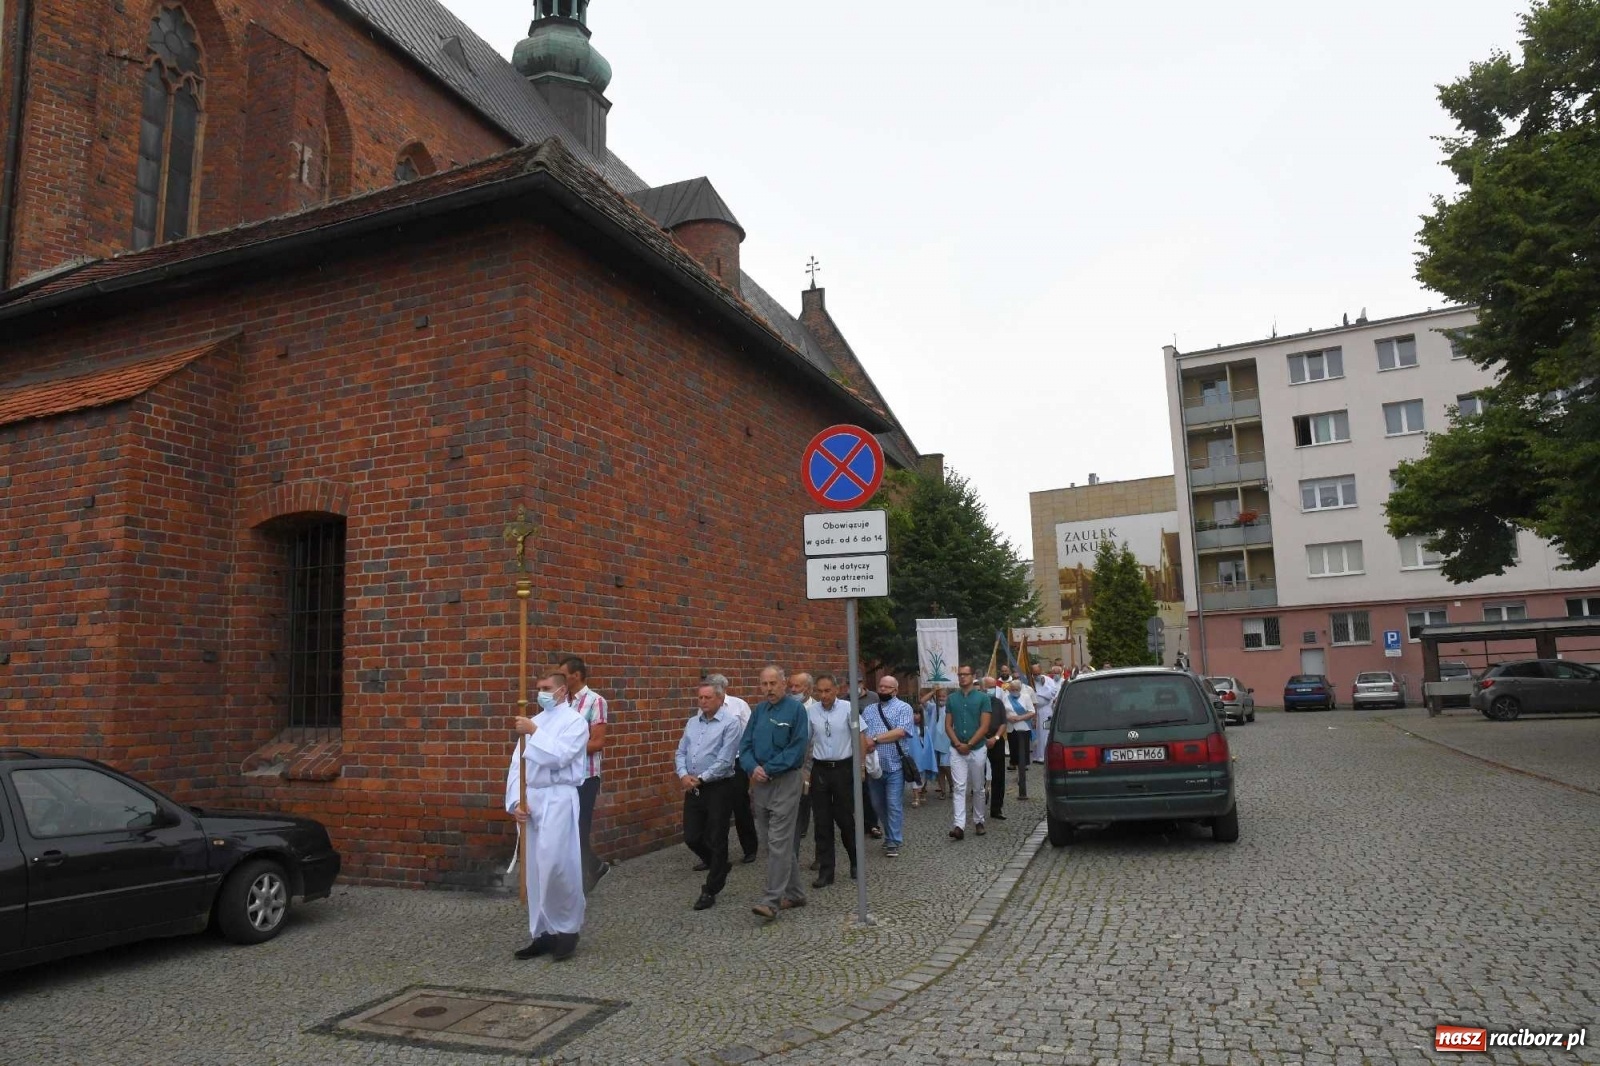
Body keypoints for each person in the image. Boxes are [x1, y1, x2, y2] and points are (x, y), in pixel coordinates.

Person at [506, 670, 590, 961]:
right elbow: (518, 764)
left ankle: (567, 929)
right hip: (534, 799)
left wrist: (534, 733)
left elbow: (561, 757)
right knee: (535, 870)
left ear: (562, 690)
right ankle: (541, 932)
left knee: (557, 863)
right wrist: (517, 800)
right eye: (538, 687)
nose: (540, 692)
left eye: (546, 688)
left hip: (559, 796)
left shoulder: (575, 722)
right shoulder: (534, 722)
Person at [740, 665, 810, 920]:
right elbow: (745, 745)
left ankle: (771, 901)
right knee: (771, 841)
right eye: (764, 684)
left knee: (779, 841)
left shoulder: (796, 710)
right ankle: (796, 893)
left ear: (784, 684)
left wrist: (768, 768)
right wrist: (752, 768)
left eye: (773, 684)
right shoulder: (758, 711)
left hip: (786, 781)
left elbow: (797, 749)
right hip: (760, 784)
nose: (768, 689)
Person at [676, 679, 745, 910]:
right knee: (692, 836)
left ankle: (711, 889)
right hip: (693, 786)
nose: (703, 701)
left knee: (717, 837)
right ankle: (719, 863)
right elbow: (681, 751)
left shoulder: (730, 723)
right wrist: (683, 774)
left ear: (719, 699)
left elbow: (726, 760)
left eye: (707, 698)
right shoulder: (692, 723)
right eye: (700, 698)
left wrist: (702, 778)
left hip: (718, 787)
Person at [559, 655, 610, 893]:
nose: (560, 680)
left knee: (580, 828)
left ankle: (579, 882)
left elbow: (597, 742)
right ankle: (595, 867)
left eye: (564, 675)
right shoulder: (562, 702)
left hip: (586, 775)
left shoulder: (594, 701)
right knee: (566, 830)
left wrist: (564, 749)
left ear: (576, 675)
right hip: (563, 775)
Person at [805, 673, 858, 887]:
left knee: (845, 818)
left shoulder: (847, 708)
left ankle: (855, 860)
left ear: (836, 690)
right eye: (820, 691)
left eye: (828, 691)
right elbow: (806, 741)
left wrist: (861, 766)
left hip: (843, 768)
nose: (824, 695)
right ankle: (827, 871)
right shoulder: (811, 712)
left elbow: (860, 736)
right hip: (820, 769)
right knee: (822, 822)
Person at [705, 672, 758, 866]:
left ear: (722, 690)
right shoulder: (704, 708)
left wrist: (748, 759)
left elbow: (750, 732)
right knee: (715, 810)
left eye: (713, 690)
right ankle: (716, 854)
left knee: (740, 805)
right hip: (713, 764)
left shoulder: (738, 705)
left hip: (736, 762)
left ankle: (750, 848)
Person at [862, 675, 913, 857]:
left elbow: (901, 732)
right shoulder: (869, 710)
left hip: (895, 765)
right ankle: (890, 835)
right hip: (874, 766)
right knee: (877, 804)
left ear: (895, 690)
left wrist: (875, 739)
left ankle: (894, 841)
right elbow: (862, 733)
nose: (882, 690)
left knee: (893, 804)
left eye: (887, 687)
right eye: (881, 686)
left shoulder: (904, 708)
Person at [945, 666, 991, 839]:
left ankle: (979, 820)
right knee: (959, 787)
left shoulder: (983, 698)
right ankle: (959, 825)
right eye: (960, 675)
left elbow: (984, 725)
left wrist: (970, 744)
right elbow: (948, 724)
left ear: (973, 677)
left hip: (977, 748)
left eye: (965, 675)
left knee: (978, 787)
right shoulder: (952, 699)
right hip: (957, 748)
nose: (962, 677)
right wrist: (957, 743)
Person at [788, 671, 819, 865]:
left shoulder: (816, 709)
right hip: (794, 768)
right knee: (797, 813)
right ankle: (792, 858)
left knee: (821, 814)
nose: (793, 690)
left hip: (817, 766)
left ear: (807, 688)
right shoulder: (788, 708)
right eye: (791, 686)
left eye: (797, 687)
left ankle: (821, 856)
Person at [1001, 678, 1035, 801]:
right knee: (1014, 753)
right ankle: (1017, 772)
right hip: (1011, 728)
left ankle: (1022, 777)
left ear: (1020, 689)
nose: (1014, 691)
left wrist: (1020, 717)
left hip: (1023, 727)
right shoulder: (1005, 697)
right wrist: (1008, 718)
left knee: (1023, 753)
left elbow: (1032, 712)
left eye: (1016, 689)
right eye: (1012, 690)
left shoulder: (1025, 697)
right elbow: (1002, 711)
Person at [985, 676, 1009, 820]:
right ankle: (978, 807)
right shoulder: (978, 703)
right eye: (989, 687)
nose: (991, 690)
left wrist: (996, 738)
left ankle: (997, 808)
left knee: (999, 776)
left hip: (997, 741)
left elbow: (1003, 723)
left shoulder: (998, 703)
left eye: (993, 687)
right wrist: (984, 739)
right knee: (979, 776)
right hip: (980, 741)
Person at [907, 703, 939, 808]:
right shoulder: (908, 729)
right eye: (913, 713)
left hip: (923, 757)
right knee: (915, 776)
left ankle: (921, 792)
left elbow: (928, 745)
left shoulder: (925, 729)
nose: (915, 716)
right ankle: (916, 797)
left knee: (922, 777)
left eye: (917, 713)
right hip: (914, 757)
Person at [924, 687, 952, 799]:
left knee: (946, 765)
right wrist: (932, 692)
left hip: (946, 740)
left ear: (947, 697)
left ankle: (952, 785)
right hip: (934, 741)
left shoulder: (950, 708)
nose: (941, 698)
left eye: (943, 696)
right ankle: (943, 791)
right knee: (939, 767)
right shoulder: (932, 707)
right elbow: (922, 701)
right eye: (939, 696)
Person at [1032, 665, 1061, 763]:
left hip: (1046, 710)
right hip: (1035, 710)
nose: (1036, 676)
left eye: (1038, 673)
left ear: (1041, 671)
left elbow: (1052, 693)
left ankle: (1044, 756)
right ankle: (1036, 756)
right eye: (1034, 674)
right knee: (1036, 734)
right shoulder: (1030, 680)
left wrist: (1044, 686)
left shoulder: (1048, 680)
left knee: (1045, 733)